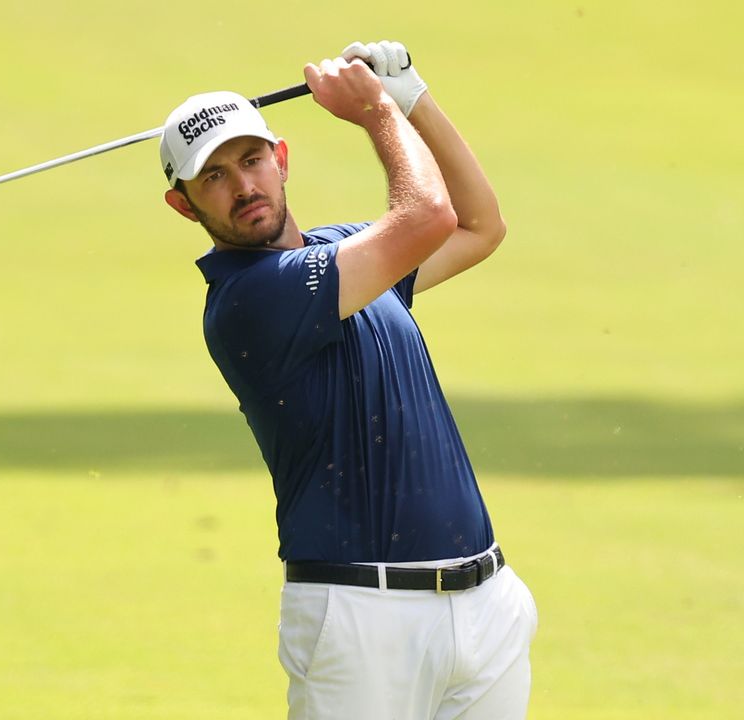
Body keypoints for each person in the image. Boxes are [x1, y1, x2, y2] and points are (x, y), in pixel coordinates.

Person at [158, 40, 536, 720]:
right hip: (363, 619)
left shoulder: (347, 253)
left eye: (249, 161)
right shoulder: (247, 300)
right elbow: (425, 218)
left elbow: (481, 225)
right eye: (212, 177)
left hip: (485, 604)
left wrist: (415, 98)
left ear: (281, 159)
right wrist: (377, 113)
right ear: (183, 206)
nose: (243, 187)